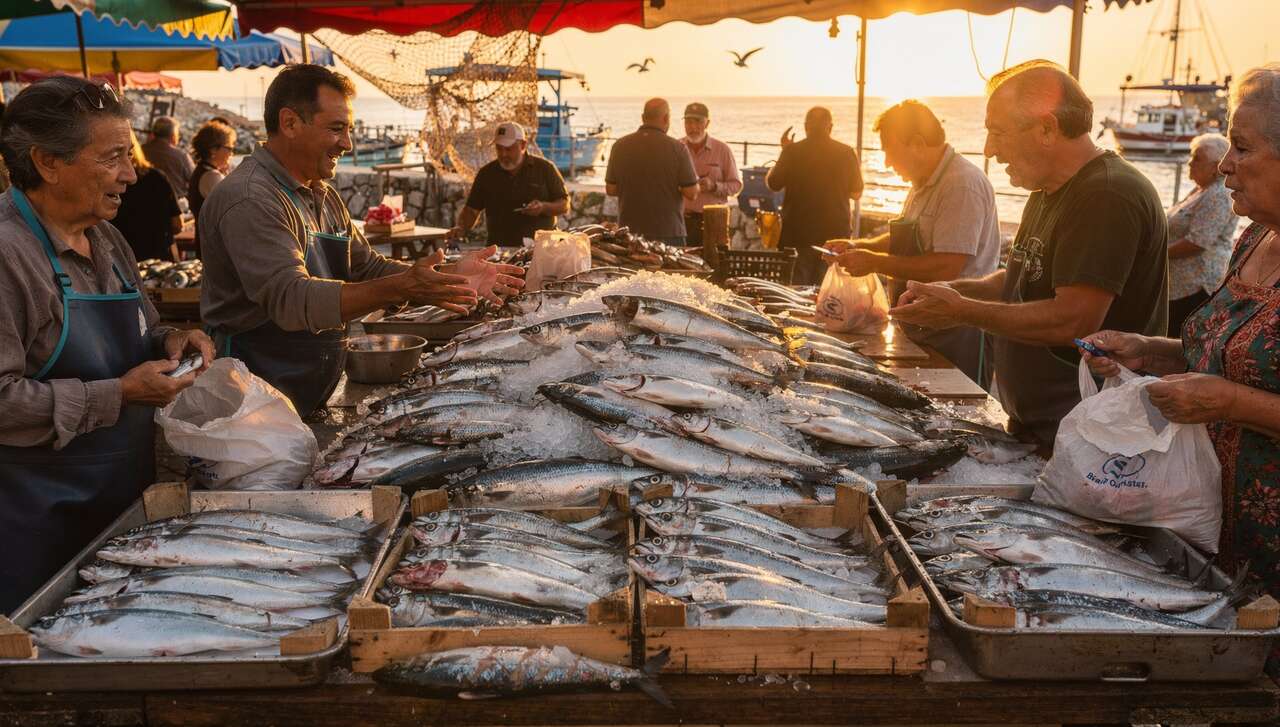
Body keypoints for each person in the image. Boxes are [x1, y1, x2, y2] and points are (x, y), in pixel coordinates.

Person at [199, 65, 524, 418]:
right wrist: (404, 287)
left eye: (349, 130)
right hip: (250, 404)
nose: (348, 144)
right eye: (336, 129)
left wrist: (448, 274)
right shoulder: (250, 199)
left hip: (300, 396)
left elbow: (367, 268)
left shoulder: (322, 194)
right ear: (290, 123)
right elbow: (292, 300)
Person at [0, 78, 214, 611]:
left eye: (130, 155)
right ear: (48, 162)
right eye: (113, 157)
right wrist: (117, 393)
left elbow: (143, 328)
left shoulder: (106, 238)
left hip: (121, 508)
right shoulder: (8, 254)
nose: (131, 173)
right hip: (31, 525)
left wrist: (172, 338)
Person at [1080, 64, 1280, 628]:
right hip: (1210, 532)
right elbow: (1230, 350)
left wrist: (1229, 403)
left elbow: (1238, 387)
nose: (1225, 166)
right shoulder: (1256, 238)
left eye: (1241, 148)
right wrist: (1148, 350)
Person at [890, 60, 1168, 447]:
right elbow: (1019, 278)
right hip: (1043, 425)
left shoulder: (1106, 194)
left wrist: (960, 311)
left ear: (1046, 128)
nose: (989, 149)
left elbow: (1072, 321)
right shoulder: (1046, 191)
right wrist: (953, 290)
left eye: (997, 133)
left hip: (1094, 438)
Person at [827, 100, 1000, 385]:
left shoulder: (961, 184)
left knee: (958, 416)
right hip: (920, 323)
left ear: (917, 144)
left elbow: (947, 267)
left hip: (957, 330)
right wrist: (858, 246)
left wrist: (873, 263)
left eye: (889, 151)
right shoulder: (922, 182)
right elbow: (904, 237)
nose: (886, 162)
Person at [765, 106, 864, 284]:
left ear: (806, 127)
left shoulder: (792, 151)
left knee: (795, 295)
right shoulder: (846, 152)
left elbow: (773, 184)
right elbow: (857, 193)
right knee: (829, 293)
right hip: (835, 234)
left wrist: (784, 153)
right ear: (830, 127)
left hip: (797, 234)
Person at [448, 122, 569, 247]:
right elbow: (471, 210)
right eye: (499, 148)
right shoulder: (486, 174)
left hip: (540, 249)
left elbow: (564, 205)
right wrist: (460, 227)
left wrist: (543, 207)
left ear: (523, 145)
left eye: (508, 149)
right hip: (498, 250)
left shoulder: (545, 169)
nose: (503, 154)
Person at [1165, 132, 1238, 335]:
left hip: (1196, 286)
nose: (1190, 163)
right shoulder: (1200, 190)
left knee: (1177, 339)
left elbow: (1197, 243)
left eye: (1197, 158)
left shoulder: (1218, 195)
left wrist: (1154, 254)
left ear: (1216, 166)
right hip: (1181, 284)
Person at [605, 98, 698, 244]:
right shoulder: (678, 148)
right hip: (669, 231)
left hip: (629, 232)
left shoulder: (619, 146)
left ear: (643, 118)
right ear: (666, 118)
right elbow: (691, 193)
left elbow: (611, 189)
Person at [111, 133, 182, 262]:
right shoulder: (158, 178)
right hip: (158, 260)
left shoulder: (110, 184)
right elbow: (177, 224)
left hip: (119, 259)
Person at [679, 102, 742, 246]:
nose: (693, 127)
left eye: (698, 121)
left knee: (715, 264)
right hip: (682, 220)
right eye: (688, 122)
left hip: (713, 222)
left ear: (707, 123)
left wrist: (714, 186)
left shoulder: (722, 149)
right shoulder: (676, 148)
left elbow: (736, 185)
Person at [188, 119, 238, 257]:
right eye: (229, 148)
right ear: (213, 150)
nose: (231, 153)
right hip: (215, 249)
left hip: (205, 243)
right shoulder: (211, 176)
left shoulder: (203, 171)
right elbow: (234, 209)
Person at [141, 115, 195, 199]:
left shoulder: (140, 151)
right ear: (173, 135)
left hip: (141, 199)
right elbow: (195, 181)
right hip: (172, 206)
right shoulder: (182, 156)